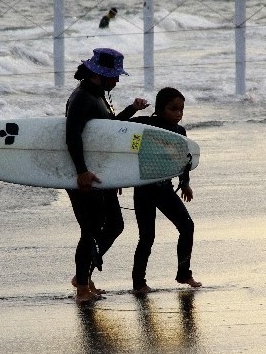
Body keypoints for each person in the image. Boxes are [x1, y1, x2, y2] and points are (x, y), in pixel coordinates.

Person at [66, 47, 149, 303]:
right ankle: (82, 287)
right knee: (90, 230)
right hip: (85, 176)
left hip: (101, 174)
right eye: (114, 75)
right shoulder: (82, 98)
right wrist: (81, 171)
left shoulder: (98, 95)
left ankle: (84, 276)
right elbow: (71, 135)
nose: (117, 80)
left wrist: (131, 110)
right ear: (98, 74)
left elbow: (109, 130)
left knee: (114, 225)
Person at [129, 87, 201, 294]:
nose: (178, 114)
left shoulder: (180, 132)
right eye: (173, 109)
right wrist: (117, 178)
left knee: (187, 227)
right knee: (147, 237)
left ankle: (184, 273)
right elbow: (119, 137)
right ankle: (138, 283)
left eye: (181, 109)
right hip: (143, 189)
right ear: (160, 109)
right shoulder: (144, 125)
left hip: (164, 189)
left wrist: (185, 183)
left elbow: (183, 160)